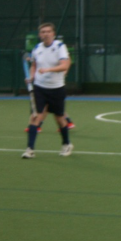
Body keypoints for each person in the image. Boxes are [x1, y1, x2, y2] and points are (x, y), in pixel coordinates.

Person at [22, 23, 73, 158]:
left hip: (57, 88)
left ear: (53, 34)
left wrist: (48, 70)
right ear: (40, 35)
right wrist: (31, 76)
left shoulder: (60, 47)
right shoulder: (37, 48)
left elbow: (64, 65)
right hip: (39, 88)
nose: (45, 34)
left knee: (60, 119)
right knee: (35, 117)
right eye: (43, 32)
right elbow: (34, 65)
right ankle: (30, 149)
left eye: (48, 31)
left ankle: (66, 144)